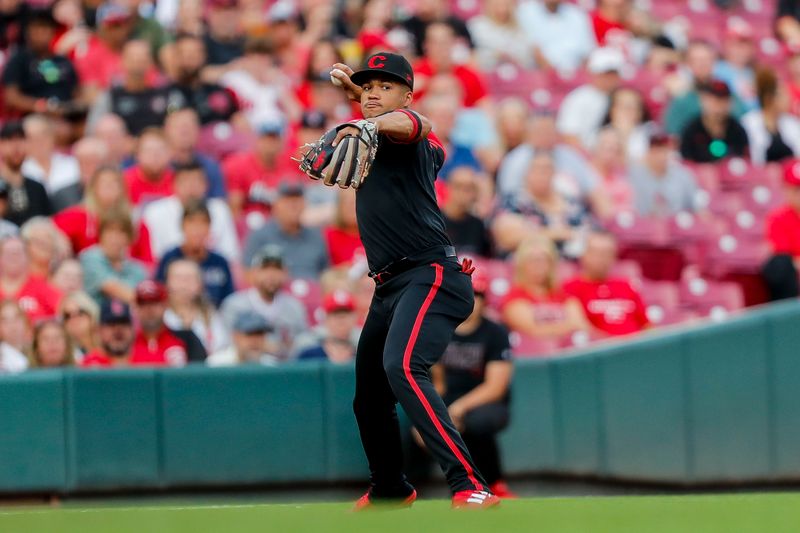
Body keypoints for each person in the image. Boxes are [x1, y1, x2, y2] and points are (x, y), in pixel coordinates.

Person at [325, 52, 499, 508]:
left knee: (402, 365)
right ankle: (389, 487)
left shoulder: (412, 138)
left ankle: (469, 484)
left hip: (431, 274)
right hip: (389, 285)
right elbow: (380, 117)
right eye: (368, 86)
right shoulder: (372, 133)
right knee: (368, 398)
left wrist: (372, 117)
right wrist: (360, 104)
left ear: (406, 93)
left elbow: (413, 124)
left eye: (386, 84)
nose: (374, 92)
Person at [410, 273, 514, 497]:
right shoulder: (439, 329)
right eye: (467, 294)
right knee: (412, 425)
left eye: (477, 295)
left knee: (477, 423)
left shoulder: (495, 332)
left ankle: (493, 484)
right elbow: (437, 381)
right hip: (449, 395)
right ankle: (412, 490)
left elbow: (495, 387)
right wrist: (428, 416)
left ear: (485, 301)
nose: (472, 300)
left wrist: (459, 408)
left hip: (485, 400)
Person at [220, 245, 308, 358]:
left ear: (286, 273)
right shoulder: (234, 305)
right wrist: (258, 345)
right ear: (253, 273)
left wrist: (281, 348)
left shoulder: (294, 307)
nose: (271, 275)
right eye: (265, 269)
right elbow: (226, 344)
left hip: (285, 369)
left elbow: (304, 343)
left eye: (277, 269)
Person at [142, 161, 239, 262]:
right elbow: (154, 255)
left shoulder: (219, 209)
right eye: (186, 181)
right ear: (174, 185)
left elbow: (230, 253)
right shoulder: (155, 212)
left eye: (196, 181)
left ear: (206, 185)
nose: (191, 186)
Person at [53, 166, 152, 263]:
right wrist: (58, 238)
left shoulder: (134, 220)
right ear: (93, 188)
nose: (109, 187)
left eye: (114, 183)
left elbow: (147, 261)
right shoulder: (81, 216)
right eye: (104, 183)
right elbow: (45, 226)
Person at [501, 235, 588, 340]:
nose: (538, 266)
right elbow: (532, 331)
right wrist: (568, 326)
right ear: (522, 264)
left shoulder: (563, 295)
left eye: (544, 260)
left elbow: (581, 325)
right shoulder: (514, 296)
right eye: (533, 260)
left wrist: (550, 329)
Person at [564, 232, 649, 337]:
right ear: (584, 254)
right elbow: (579, 325)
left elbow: (646, 324)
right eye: (597, 253)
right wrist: (614, 343)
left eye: (607, 253)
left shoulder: (626, 285)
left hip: (636, 347)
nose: (602, 258)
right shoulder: (572, 287)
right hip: (600, 349)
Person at [2, 8, 83, 118]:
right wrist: (42, 106)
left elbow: (77, 93)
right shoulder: (19, 60)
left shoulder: (63, 60)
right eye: (38, 28)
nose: (42, 33)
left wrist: (74, 107)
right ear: (28, 31)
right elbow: (12, 98)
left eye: (46, 28)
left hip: (67, 115)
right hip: (34, 117)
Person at [154, 201, 235, 308]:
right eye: (192, 222)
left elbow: (228, 301)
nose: (197, 229)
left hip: (213, 320)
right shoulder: (169, 258)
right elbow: (158, 295)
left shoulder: (220, 262)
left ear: (209, 228)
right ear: (182, 226)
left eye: (203, 223)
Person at [242, 183, 329, 279]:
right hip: (275, 292)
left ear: (305, 204)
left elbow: (326, 274)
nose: (293, 205)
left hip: (312, 290)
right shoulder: (260, 236)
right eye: (287, 200)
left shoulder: (316, 236)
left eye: (297, 200)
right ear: (276, 205)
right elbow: (248, 274)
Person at [221, 117, 300, 221]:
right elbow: (234, 210)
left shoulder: (290, 163)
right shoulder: (238, 165)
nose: (270, 144)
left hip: (281, 224)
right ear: (257, 139)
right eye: (266, 138)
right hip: (250, 223)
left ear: (282, 142)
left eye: (275, 138)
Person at [86, 39, 169, 136]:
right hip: (119, 148)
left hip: (155, 147)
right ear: (122, 61)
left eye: (142, 58)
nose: (138, 63)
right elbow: (92, 131)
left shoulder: (163, 94)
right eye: (133, 58)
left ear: (151, 62)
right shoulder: (111, 96)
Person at [556, 47, 624, 149]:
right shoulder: (579, 98)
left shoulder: (622, 97)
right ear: (593, 73)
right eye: (605, 74)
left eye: (613, 74)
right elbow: (569, 136)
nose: (610, 78)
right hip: (584, 156)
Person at [79, 209, 148, 305]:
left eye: (121, 232)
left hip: (129, 318)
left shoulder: (137, 269)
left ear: (130, 237)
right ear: (101, 234)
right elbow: (113, 288)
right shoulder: (91, 257)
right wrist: (144, 301)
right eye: (110, 231)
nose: (114, 238)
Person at [131, 280, 207, 365]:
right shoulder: (127, 343)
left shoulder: (187, 339)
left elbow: (200, 374)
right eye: (143, 304)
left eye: (155, 302)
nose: (149, 309)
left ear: (165, 305)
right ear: (136, 308)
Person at [163, 259, 229, 354]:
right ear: (167, 283)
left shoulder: (212, 316)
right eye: (178, 278)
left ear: (200, 284)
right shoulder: (161, 316)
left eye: (189, 278)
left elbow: (222, 349)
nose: (183, 284)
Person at [629, 131, 699, 216]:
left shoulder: (683, 175)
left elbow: (697, 207)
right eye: (655, 151)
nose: (661, 156)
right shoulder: (633, 175)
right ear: (646, 152)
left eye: (664, 150)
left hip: (677, 225)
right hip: (643, 225)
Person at [679, 80, 750, 163]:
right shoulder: (691, 130)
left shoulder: (737, 130)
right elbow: (686, 161)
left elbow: (745, 162)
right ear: (704, 100)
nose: (719, 107)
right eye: (714, 101)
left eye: (723, 101)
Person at [741, 67, 800, 166]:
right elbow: (752, 158)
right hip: (760, 177)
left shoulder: (792, 123)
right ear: (769, 98)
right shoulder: (749, 122)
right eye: (783, 95)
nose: (788, 99)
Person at [517, 0, 596, 72]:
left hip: (576, 74)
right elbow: (534, 51)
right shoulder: (526, 12)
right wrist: (554, 75)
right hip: (542, 75)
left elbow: (587, 53)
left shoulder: (576, 14)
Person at [164, 108, 227, 198]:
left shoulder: (210, 167)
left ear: (198, 130)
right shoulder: (158, 167)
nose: (184, 132)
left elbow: (218, 203)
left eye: (189, 127)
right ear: (166, 130)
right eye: (178, 127)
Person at [0, 121, 53, 227]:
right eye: (10, 140)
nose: (16, 147)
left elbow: (47, 221)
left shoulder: (37, 188)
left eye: (21, 140)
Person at [761, 160, 800, 301]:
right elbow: (784, 259)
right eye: (797, 189)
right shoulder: (777, 218)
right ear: (787, 189)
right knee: (780, 265)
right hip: (792, 283)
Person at [0, 236, 62, 322]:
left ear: (27, 257)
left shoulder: (42, 287)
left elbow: (62, 312)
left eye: (18, 253)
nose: (13, 258)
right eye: (8, 253)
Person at [20, 114, 80, 195]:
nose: (39, 141)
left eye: (43, 135)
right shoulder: (18, 171)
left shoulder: (73, 164)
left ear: (53, 137)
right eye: (31, 137)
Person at [295, 290, 360, 363]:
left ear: (355, 317)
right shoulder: (309, 353)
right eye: (335, 314)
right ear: (326, 318)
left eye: (346, 313)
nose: (341, 319)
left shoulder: (365, 352)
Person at [441, 166, 492, 257]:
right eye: (458, 186)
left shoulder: (477, 225)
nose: (464, 192)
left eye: (470, 188)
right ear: (448, 187)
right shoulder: (435, 221)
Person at [51, 137, 110, 212]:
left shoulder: (116, 192)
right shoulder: (62, 196)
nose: (86, 167)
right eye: (81, 162)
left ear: (104, 163)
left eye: (92, 162)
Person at [468, 0, 531, 70]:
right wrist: (496, 55)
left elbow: (527, 58)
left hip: (517, 73)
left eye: (506, 5)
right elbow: (473, 55)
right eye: (497, 5)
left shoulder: (521, 28)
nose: (502, 9)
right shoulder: (476, 26)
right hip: (486, 73)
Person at [123, 128, 175, 207]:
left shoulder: (178, 182)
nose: (154, 156)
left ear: (170, 153)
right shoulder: (124, 182)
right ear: (137, 154)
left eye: (160, 151)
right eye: (148, 151)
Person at [207, 312, 279, 366]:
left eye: (260, 334)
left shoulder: (271, 365)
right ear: (235, 337)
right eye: (250, 334)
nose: (255, 341)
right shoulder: (217, 364)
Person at [81, 299, 135, 367]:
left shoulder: (148, 360)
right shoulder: (89, 364)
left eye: (123, 323)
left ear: (132, 328)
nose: (118, 330)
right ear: (99, 330)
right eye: (111, 324)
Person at [323, 190, 363, 267]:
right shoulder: (328, 236)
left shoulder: (374, 235)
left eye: (355, 202)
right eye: (346, 202)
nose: (351, 207)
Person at [59, 291, 98, 359]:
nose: (74, 319)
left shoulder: (108, 345)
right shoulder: (63, 354)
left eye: (80, 313)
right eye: (67, 316)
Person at [0, 301, 30, 374]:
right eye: (5, 321)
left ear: (25, 321)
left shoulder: (37, 351)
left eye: (17, 318)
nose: (12, 325)